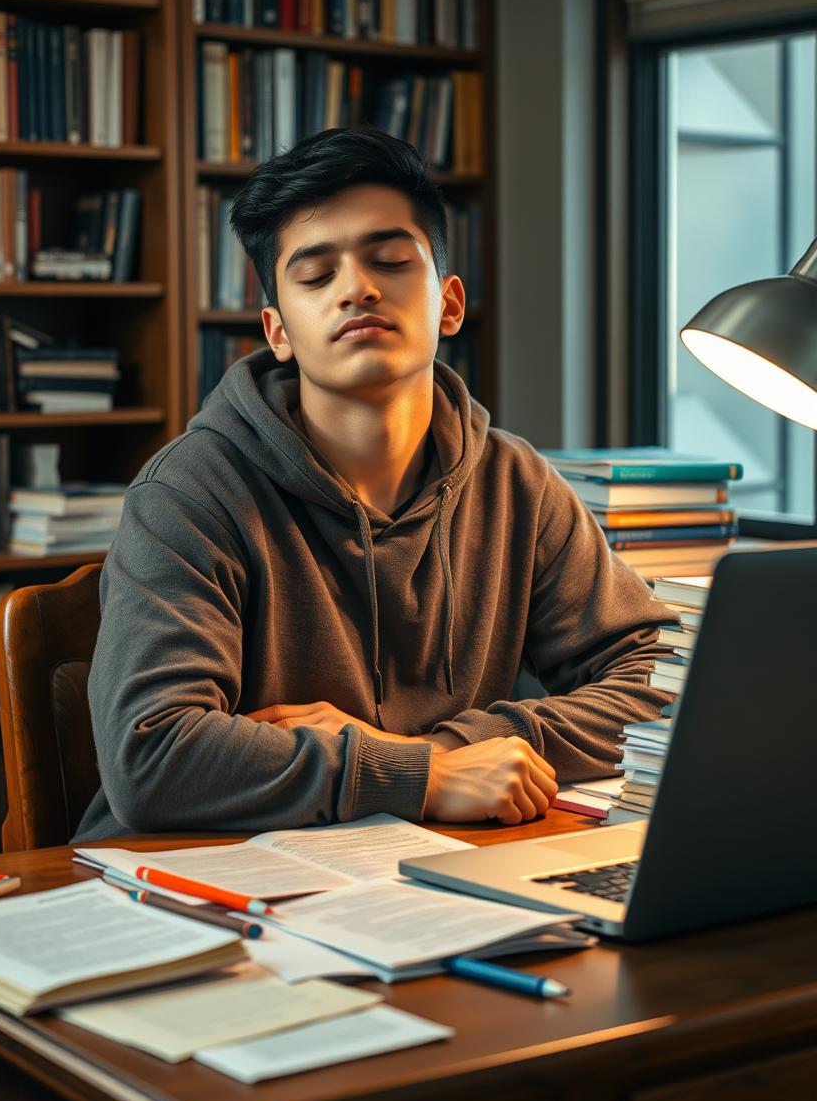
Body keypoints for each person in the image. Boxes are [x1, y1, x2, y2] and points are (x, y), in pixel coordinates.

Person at [76, 126, 673, 841]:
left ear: (448, 305)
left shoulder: (515, 482)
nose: (356, 288)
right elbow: (152, 758)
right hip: (195, 891)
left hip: (415, 876)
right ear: (279, 332)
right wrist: (419, 775)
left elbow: (660, 684)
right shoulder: (188, 495)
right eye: (315, 275)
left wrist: (443, 756)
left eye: (389, 261)